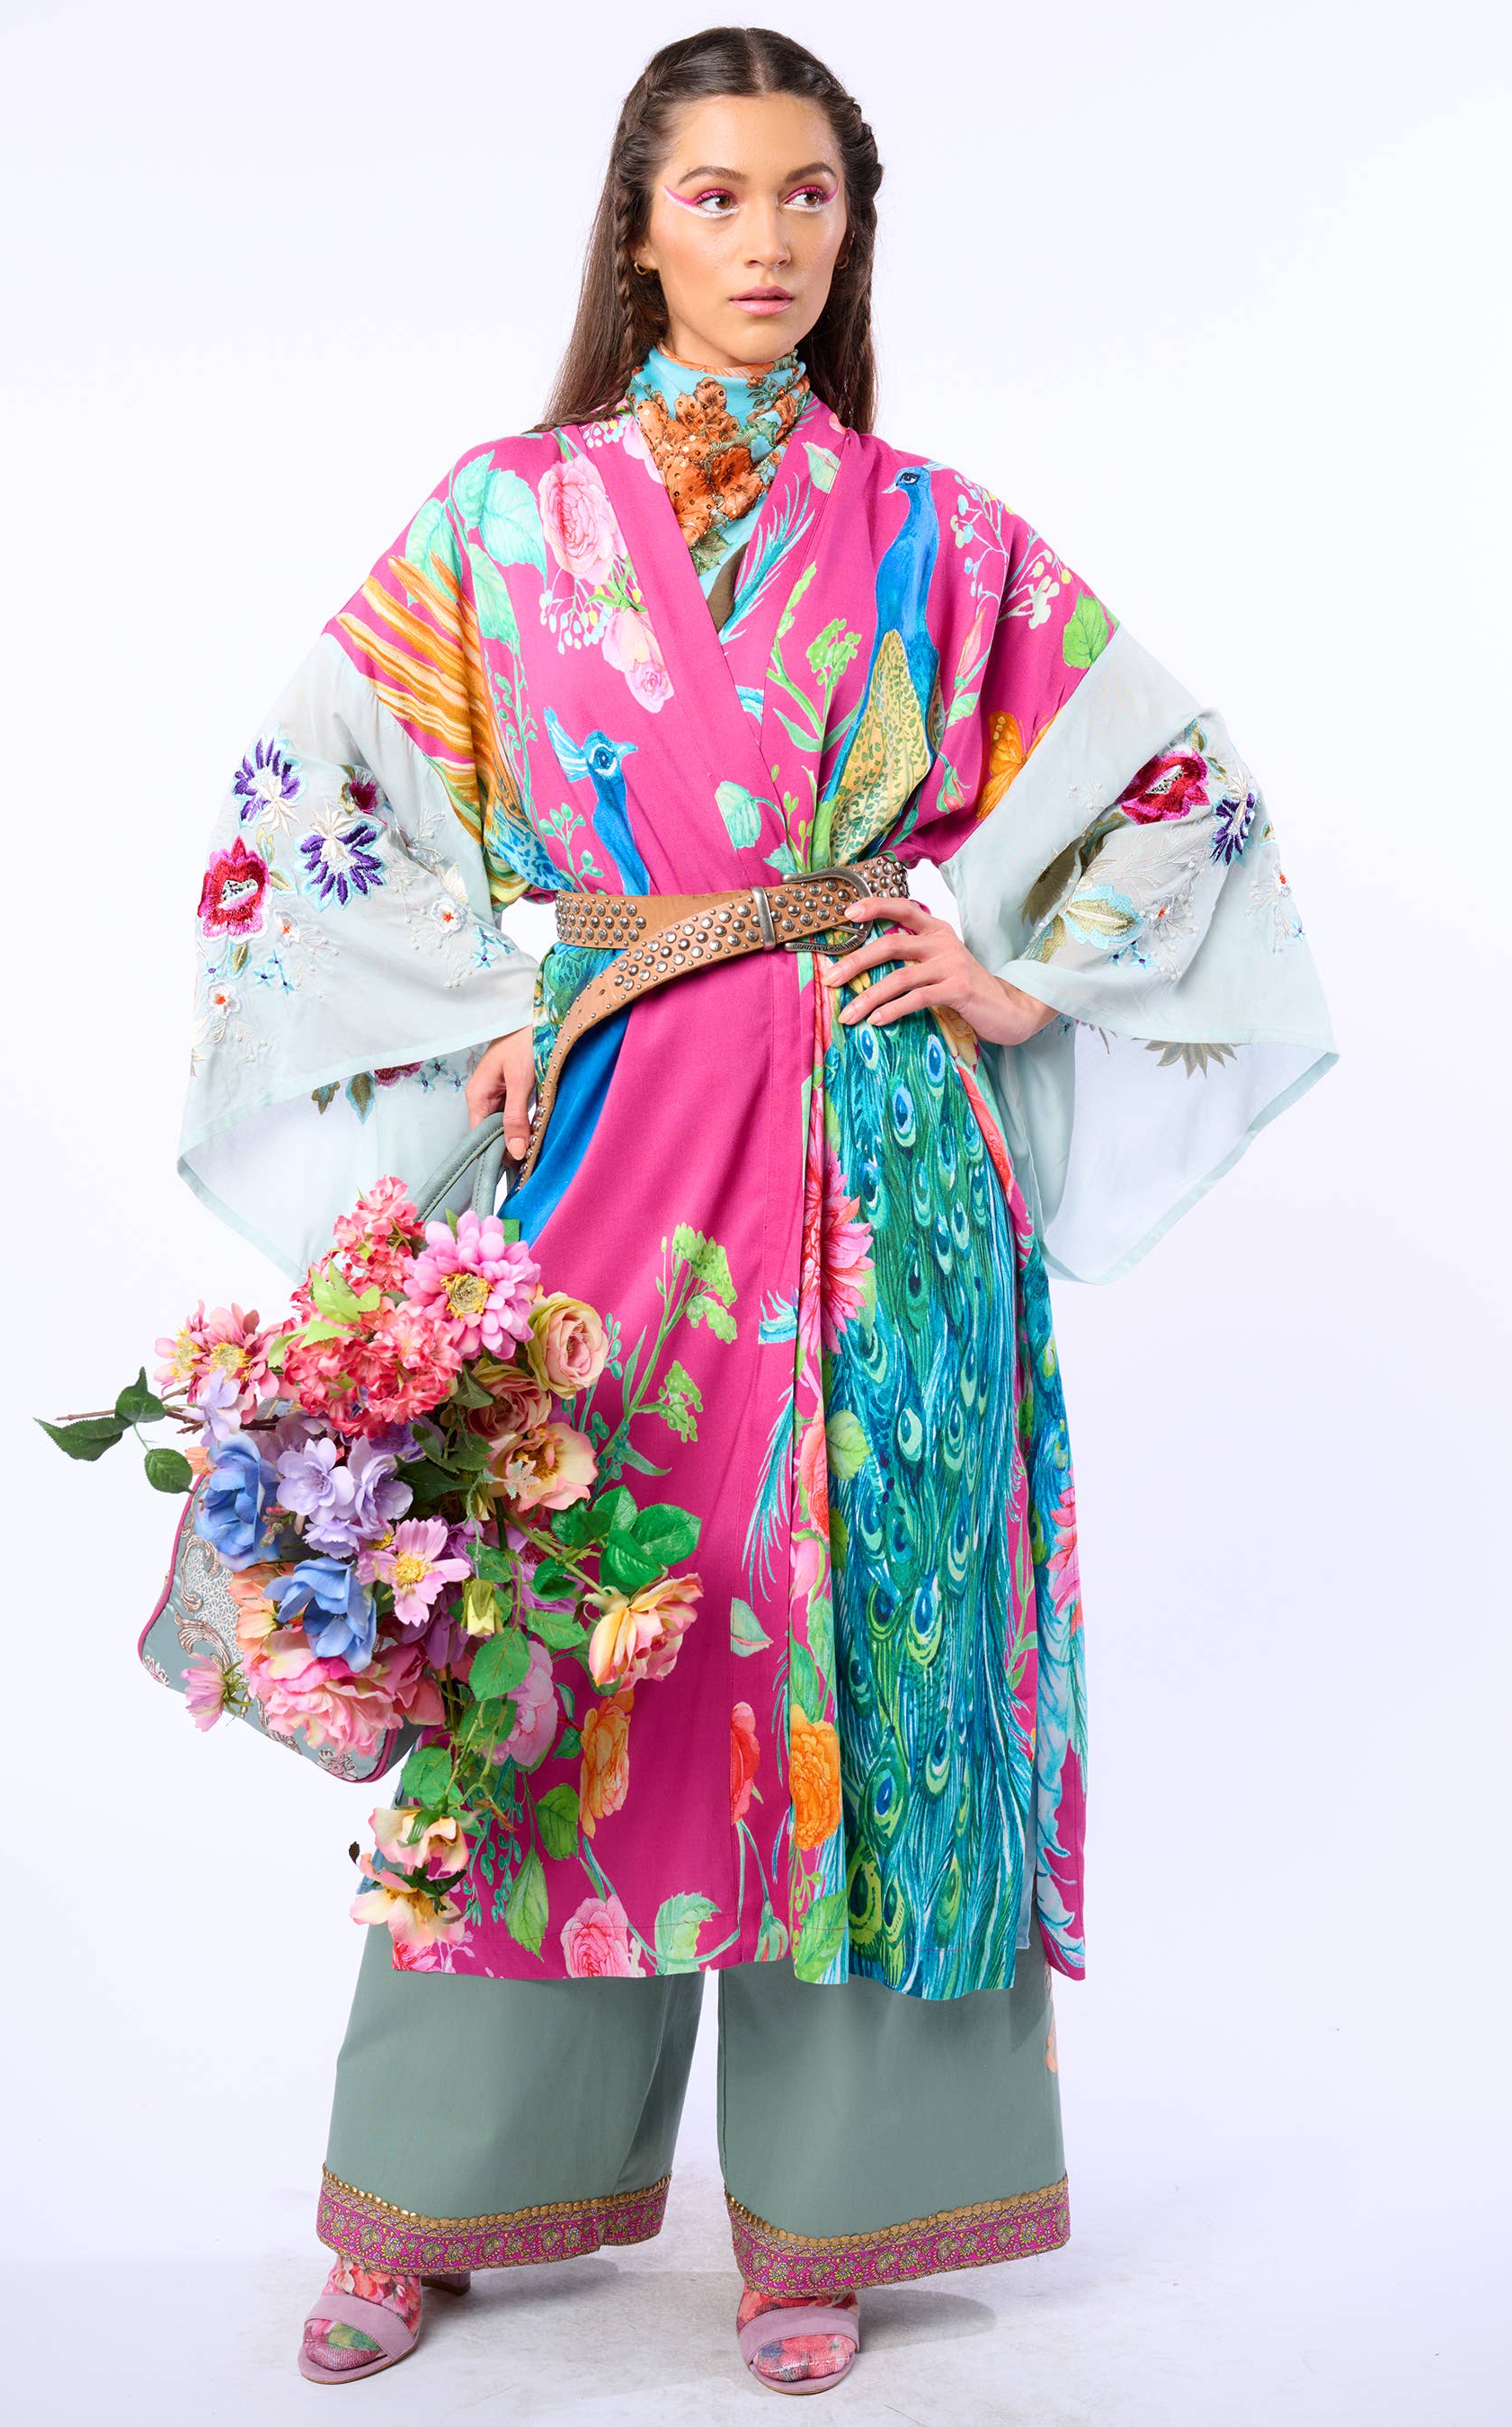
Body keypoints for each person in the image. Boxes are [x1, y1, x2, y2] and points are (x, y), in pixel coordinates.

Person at [175, 26, 1336, 2398]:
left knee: (861, 1635)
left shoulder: (933, 533)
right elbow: (319, 803)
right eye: (719, 197)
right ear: (637, 226)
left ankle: (832, 2213)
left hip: (879, 1156)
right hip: (608, 1143)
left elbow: (1180, 788)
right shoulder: (501, 520)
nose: (770, 242)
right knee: (553, 1639)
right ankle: (440, 2193)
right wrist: (488, 1007)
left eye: (811, 197)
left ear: (851, 228)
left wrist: (1014, 977)